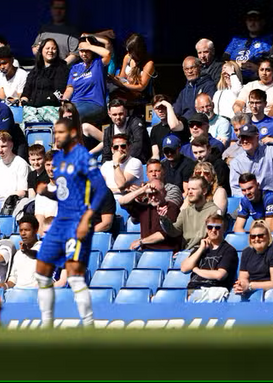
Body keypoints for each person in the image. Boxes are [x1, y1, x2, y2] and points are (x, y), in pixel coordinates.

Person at [32, 118, 107, 327]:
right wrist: (47, 193)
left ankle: (89, 324)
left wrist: (87, 218)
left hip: (77, 222)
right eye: (55, 133)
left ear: (73, 133)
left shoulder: (82, 156)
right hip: (59, 222)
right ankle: (47, 325)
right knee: (41, 272)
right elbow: (65, 194)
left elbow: (101, 188)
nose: (56, 137)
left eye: (61, 133)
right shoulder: (58, 160)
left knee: (74, 277)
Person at [182, 212, 238, 302]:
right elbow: (184, 269)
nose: (213, 230)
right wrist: (201, 249)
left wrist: (196, 270)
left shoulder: (229, 250)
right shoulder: (200, 247)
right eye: (210, 227)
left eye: (217, 227)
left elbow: (220, 275)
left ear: (224, 229)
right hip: (192, 290)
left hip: (213, 290)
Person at [120, 176, 182, 250]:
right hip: (145, 251)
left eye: (156, 193)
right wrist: (143, 190)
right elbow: (122, 202)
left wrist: (141, 241)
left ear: (164, 192)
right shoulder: (145, 207)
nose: (153, 197)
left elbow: (163, 235)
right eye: (150, 194)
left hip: (165, 251)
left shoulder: (171, 207)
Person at [228, 124, 273, 194]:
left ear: (257, 137)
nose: (245, 141)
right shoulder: (236, 162)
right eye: (242, 138)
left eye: (248, 137)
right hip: (250, 200)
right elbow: (236, 189)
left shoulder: (270, 151)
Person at [21, 38, 69, 124]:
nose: (50, 51)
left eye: (53, 48)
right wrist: (24, 98)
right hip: (32, 108)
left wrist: (46, 101)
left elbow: (60, 90)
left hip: (51, 107)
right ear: (41, 50)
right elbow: (27, 88)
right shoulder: (35, 70)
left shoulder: (62, 68)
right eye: (47, 48)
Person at [170, 176, 220, 249]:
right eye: (189, 189)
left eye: (193, 189)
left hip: (204, 251)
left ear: (204, 191)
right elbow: (174, 231)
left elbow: (213, 236)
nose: (190, 192)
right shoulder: (185, 212)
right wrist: (163, 219)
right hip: (186, 251)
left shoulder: (214, 211)